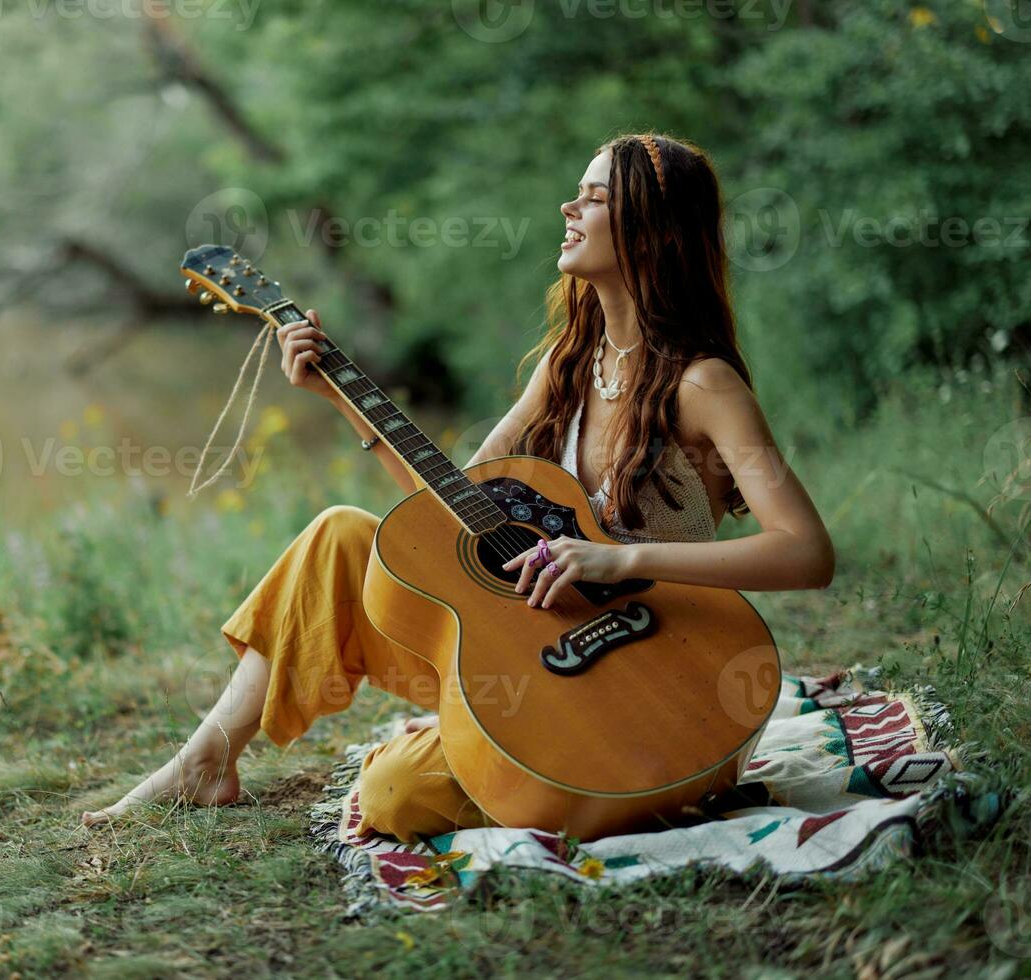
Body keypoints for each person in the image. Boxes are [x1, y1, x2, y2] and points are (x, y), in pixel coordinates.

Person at [81, 132, 835, 841]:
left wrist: (617, 560)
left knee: (393, 794)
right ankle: (206, 760)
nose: (569, 210)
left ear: (652, 231)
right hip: (541, 651)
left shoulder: (703, 385)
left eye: (595, 197)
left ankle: (510, 746)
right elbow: (456, 503)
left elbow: (804, 553)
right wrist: (337, 394)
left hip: (666, 687)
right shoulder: (568, 366)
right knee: (339, 536)